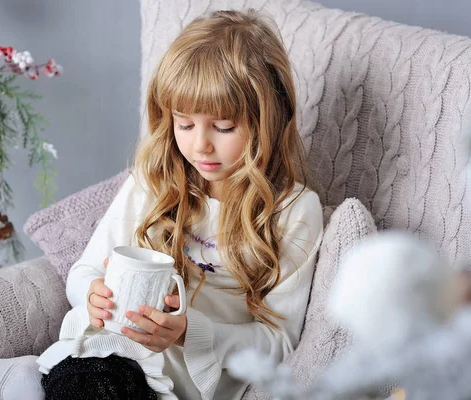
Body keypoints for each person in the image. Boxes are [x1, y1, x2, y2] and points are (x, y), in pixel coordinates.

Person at [37, 8, 324, 400]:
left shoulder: (293, 212)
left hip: (183, 383)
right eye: (184, 123)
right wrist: (91, 293)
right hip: (107, 356)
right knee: (81, 382)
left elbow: (281, 342)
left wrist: (191, 332)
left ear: (268, 122)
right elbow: (84, 270)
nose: (200, 144)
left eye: (223, 127)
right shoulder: (153, 181)